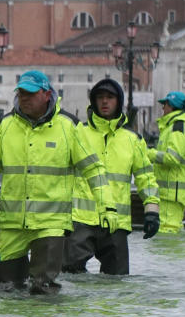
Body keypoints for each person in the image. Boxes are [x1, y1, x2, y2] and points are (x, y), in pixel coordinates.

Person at [0, 70, 115, 294]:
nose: (24, 98)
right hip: (12, 222)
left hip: (51, 223)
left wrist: (107, 208)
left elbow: (94, 170)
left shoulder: (68, 127)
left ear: (47, 94)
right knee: (5, 289)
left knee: (43, 289)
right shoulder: (4, 126)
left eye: (30, 94)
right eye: (21, 93)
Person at [63, 78, 160, 275]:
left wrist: (152, 211)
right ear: (93, 101)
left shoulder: (132, 140)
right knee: (68, 278)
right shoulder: (77, 133)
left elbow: (146, 178)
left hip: (116, 223)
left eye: (110, 97)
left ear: (119, 102)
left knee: (117, 283)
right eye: (100, 98)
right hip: (81, 221)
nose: (105, 102)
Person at [147, 91, 185, 233]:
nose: (163, 108)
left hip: (173, 193)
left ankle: (171, 255)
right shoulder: (173, 127)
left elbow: (173, 158)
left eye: (165, 104)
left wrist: (148, 153)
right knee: (168, 231)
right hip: (171, 192)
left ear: (172, 106)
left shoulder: (177, 128)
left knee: (168, 230)